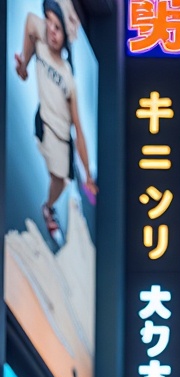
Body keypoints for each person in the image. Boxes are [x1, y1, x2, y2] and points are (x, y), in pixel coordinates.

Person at [13, 3, 97, 246]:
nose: (51, 30)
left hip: (63, 138)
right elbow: (30, 22)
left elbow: (79, 128)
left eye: (57, 27)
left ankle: (52, 206)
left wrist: (88, 175)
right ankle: (52, 208)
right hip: (44, 126)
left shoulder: (69, 78)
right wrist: (24, 65)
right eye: (49, 22)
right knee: (57, 176)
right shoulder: (40, 36)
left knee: (61, 180)